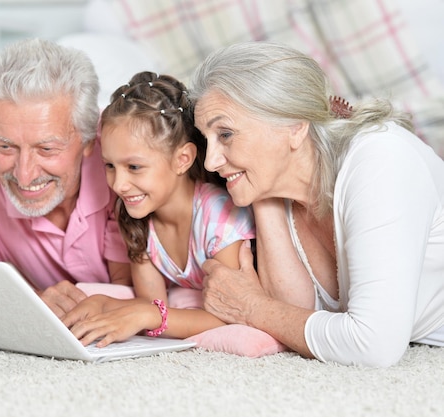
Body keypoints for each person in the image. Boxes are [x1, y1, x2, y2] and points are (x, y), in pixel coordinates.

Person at [190, 41, 444, 367]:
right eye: (206, 139)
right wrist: (259, 195)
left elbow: (372, 346)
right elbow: (296, 314)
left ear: (295, 126)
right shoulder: (279, 190)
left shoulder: (381, 160)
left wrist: (251, 307)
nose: (211, 161)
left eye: (225, 134)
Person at [0, 38, 132, 322]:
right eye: (5, 147)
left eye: (46, 149)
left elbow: (170, 290)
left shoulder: (128, 153)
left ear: (90, 140)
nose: (24, 174)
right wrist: (28, 301)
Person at [63, 71, 256, 347]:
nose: (119, 184)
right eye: (109, 166)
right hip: (191, 299)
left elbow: (232, 314)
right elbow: (152, 303)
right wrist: (104, 303)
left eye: (134, 167)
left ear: (182, 159)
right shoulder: (136, 215)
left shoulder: (219, 216)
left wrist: (148, 314)